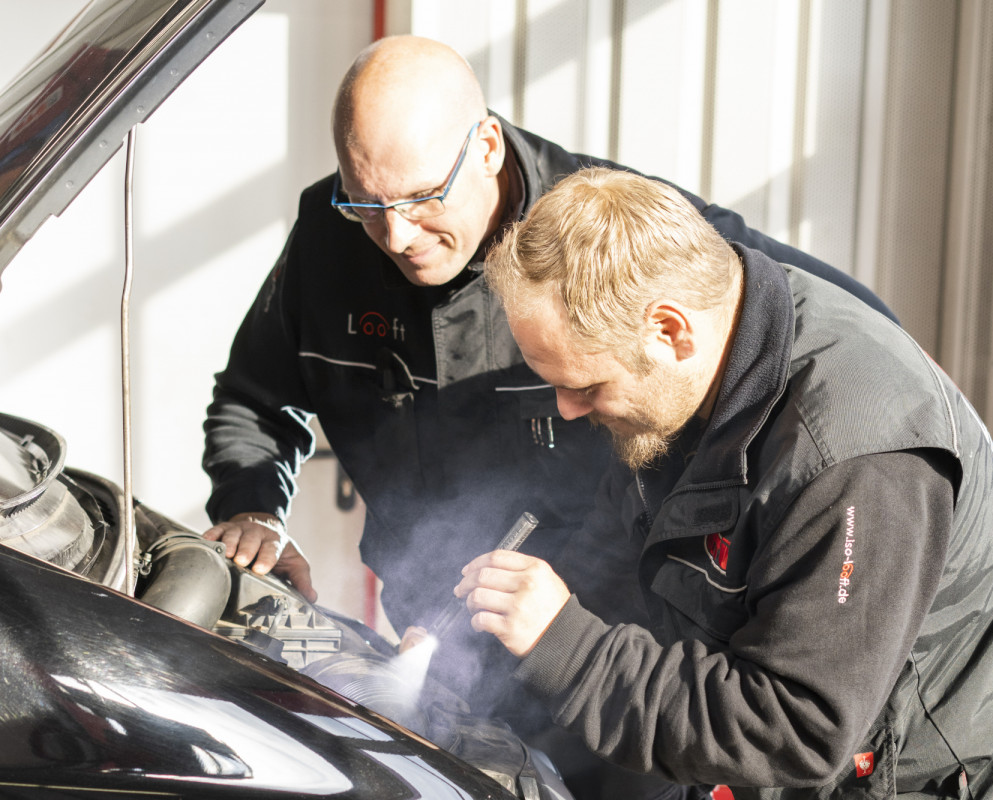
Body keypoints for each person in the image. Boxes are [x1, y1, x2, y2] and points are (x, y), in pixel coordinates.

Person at [200, 35, 894, 800]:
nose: (394, 236)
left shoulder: (603, 247)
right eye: (368, 204)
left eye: (422, 198)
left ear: (488, 146)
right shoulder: (331, 237)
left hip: (612, 671)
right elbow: (254, 396)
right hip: (436, 639)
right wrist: (253, 506)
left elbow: (828, 331)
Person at [457, 167, 993, 799]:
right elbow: (620, 546)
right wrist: (476, 647)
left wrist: (566, 648)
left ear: (670, 331)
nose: (566, 409)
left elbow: (797, 727)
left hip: (965, 779)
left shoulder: (853, 457)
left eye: (585, 386)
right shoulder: (697, 353)